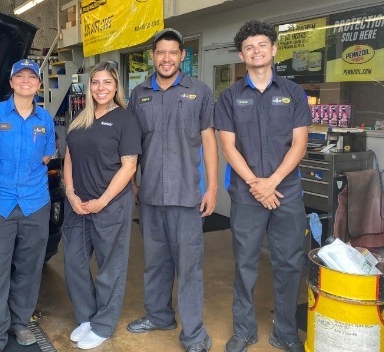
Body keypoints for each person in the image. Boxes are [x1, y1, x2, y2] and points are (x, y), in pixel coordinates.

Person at [213, 20, 310, 352]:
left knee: (289, 262)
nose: (256, 51)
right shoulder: (229, 97)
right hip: (246, 194)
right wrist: (257, 184)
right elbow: (228, 146)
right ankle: (243, 331)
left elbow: (299, 144)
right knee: (245, 263)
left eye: (262, 45)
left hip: (288, 192)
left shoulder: (294, 93)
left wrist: (273, 182)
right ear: (242, 55)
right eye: (249, 47)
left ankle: (284, 332)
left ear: (274, 50)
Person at [126, 28, 219, 352]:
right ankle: (159, 315)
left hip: (187, 194)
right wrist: (133, 181)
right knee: (155, 262)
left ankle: (194, 334)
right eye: (160, 52)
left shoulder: (200, 91)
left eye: (172, 52)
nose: (166, 58)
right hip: (150, 194)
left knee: (189, 266)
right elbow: (133, 145)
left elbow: (209, 140)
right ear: (153, 57)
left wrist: (213, 187)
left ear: (182, 56)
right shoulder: (139, 95)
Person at [0, 59, 56, 352]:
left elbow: (46, 157)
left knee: (29, 269)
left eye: (32, 77)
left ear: (39, 85)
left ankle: (20, 323)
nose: (26, 81)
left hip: (35, 203)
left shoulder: (45, 119)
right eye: (20, 76)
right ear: (11, 82)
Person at [62, 62, 142, 350]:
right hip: (78, 205)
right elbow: (69, 157)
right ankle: (86, 316)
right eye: (96, 82)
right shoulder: (80, 119)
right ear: (89, 86)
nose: (101, 88)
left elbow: (129, 165)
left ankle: (104, 325)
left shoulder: (125, 120)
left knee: (110, 268)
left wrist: (103, 201)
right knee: (74, 262)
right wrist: (70, 194)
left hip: (110, 206)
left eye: (107, 82)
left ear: (116, 86)